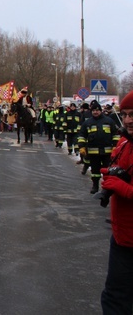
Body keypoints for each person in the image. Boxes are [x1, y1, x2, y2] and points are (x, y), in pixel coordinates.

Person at [100, 90, 133, 313]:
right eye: (126, 114)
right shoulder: (124, 143)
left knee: (117, 298)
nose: (129, 119)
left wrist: (123, 188)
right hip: (123, 235)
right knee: (115, 295)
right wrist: (111, 176)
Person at [78, 100, 120, 194]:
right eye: (93, 110)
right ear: (91, 111)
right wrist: (81, 147)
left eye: (97, 110)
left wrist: (115, 146)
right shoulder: (87, 122)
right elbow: (82, 135)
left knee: (107, 170)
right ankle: (95, 186)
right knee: (95, 171)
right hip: (93, 152)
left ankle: (106, 188)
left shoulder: (109, 121)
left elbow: (116, 134)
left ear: (100, 111)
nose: (95, 112)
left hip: (107, 152)